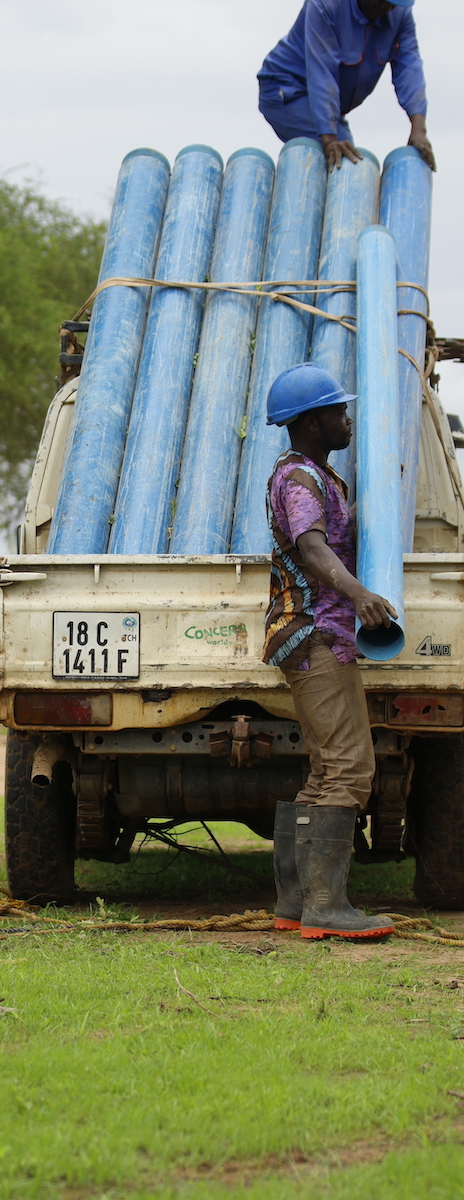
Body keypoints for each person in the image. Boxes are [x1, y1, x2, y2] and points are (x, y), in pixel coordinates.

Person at [262, 363, 397, 939]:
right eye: (339, 411)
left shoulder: (318, 475)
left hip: (317, 636)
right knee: (349, 767)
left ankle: (297, 904)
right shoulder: (300, 480)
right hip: (317, 634)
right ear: (312, 422)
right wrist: (360, 593)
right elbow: (311, 548)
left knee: (324, 771)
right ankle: (327, 909)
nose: (348, 420)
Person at [258, 0, 436, 172]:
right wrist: (329, 139)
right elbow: (321, 70)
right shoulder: (325, 4)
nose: (386, 8)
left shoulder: (399, 14)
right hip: (286, 90)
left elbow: (410, 68)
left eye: (393, 3)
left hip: (325, 105)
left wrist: (419, 129)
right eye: (382, 0)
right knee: (345, 164)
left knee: (349, 160)